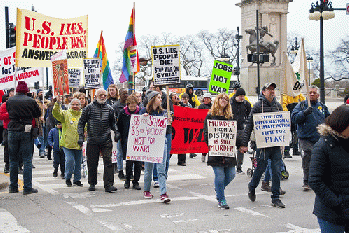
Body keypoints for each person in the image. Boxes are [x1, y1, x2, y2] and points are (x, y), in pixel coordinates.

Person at [240, 83, 286, 208]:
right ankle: (252, 186)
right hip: (263, 145)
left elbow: (283, 124)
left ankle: (275, 198)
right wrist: (244, 143)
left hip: (275, 144)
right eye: (269, 89)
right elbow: (249, 125)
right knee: (260, 169)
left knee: (276, 171)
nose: (272, 91)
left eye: (273, 89)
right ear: (263, 92)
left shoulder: (278, 106)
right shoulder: (257, 106)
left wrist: (285, 140)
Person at [309, 105, 349, 232]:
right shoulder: (322, 146)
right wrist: (338, 202)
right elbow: (315, 180)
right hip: (331, 213)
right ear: (342, 124)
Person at [78, 88, 120, 193]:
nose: (102, 97)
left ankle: (109, 184)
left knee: (108, 162)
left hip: (106, 139)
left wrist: (116, 131)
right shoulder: (88, 108)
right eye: (100, 95)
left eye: (104, 95)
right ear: (95, 96)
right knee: (92, 162)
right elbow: (81, 122)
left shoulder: (110, 109)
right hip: (92, 139)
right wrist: (80, 136)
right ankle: (92, 183)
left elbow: (113, 123)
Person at [291, 86, 330, 191]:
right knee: (308, 158)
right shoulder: (301, 105)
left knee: (320, 159)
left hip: (319, 138)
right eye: (310, 93)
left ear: (318, 95)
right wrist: (304, 113)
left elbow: (329, 120)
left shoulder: (322, 107)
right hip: (305, 138)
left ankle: (320, 179)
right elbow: (294, 118)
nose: (312, 94)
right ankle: (307, 181)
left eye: (314, 93)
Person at [203, 93, 238, 209]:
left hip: (228, 152)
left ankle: (219, 189)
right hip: (216, 152)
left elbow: (234, 134)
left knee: (231, 174)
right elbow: (206, 133)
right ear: (217, 101)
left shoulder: (230, 117)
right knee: (220, 176)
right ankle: (221, 199)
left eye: (226, 99)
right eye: (222, 98)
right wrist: (211, 143)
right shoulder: (210, 116)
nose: (224, 101)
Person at [6, 81, 41, 195]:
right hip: (26, 129)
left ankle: (13, 186)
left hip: (13, 129)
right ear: (26, 90)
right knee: (27, 160)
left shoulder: (10, 100)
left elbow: (8, 111)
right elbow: (38, 113)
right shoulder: (30, 101)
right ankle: (27, 187)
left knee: (13, 160)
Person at [140, 91, 171, 203]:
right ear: (152, 99)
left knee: (161, 169)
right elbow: (138, 128)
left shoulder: (163, 112)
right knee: (148, 169)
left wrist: (168, 122)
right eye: (158, 97)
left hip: (161, 143)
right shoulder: (143, 111)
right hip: (149, 144)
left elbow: (166, 130)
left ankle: (163, 193)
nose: (161, 99)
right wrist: (143, 119)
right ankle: (147, 190)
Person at [52, 96, 83, 188]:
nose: (75, 106)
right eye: (73, 104)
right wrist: (57, 103)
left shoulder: (82, 115)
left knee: (78, 162)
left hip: (79, 143)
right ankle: (68, 178)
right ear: (70, 105)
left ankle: (77, 179)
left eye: (77, 104)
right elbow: (56, 113)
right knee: (70, 161)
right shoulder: (65, 114)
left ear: (80, 106)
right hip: (67, 143)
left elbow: (86, 126)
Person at [117, 95, 142, 190]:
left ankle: (136, 181)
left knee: (138, 163)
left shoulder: (140, 112)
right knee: (129, 162)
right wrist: (119, 136)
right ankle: (127, 179)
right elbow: (119, 126)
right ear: (127, 105)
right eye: (131, 106)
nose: (132, 108)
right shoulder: (123, 113)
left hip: (139, 141)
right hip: (127, 140)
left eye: (134, 106)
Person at [230, 88, 251, 174]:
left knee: (241, 148)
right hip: (231, 128)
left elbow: (250, 115)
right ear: (237, 96)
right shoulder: (230, 103)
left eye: (243, 96)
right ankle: (231, 166)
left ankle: (239, 167)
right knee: (230, 148)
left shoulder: (246, 104)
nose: (242, 98)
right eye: (241, 96)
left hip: (241, 128)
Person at [282, 93, 306, 158]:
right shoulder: (286, 95)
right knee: (287, 134)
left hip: (295, 115)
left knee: (295, 133)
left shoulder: (299, 95)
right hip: (288, 115)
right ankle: (286, 151)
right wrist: (287, 115)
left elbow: (304, 102)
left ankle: (295, 149)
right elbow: (283, 105)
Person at [112, 88, 128, 180]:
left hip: (128, 132)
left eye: (126, 94)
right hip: (120, 132)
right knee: (120, 153)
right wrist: (116, 132)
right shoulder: (116, 106)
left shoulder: (129, 104)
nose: (125, 96)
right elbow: (114, 121)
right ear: (120, 95)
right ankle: (120, 171)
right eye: (124, 94)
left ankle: (129, 171)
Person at [198, 92, 212, 163]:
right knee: (204, 142)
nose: (206, 100)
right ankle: (203, 155)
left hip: (211, 126)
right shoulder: (201, 106)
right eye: (205, 98)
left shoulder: (213, 106)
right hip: (203, 126)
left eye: (208, 98)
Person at [0, 94, 10, 173]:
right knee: (7, 146)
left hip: (16, 128)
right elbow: (1, 116)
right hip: (7, 128)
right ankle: (7, 165)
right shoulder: (4, 105)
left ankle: (19, 165)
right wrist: (10, 114)